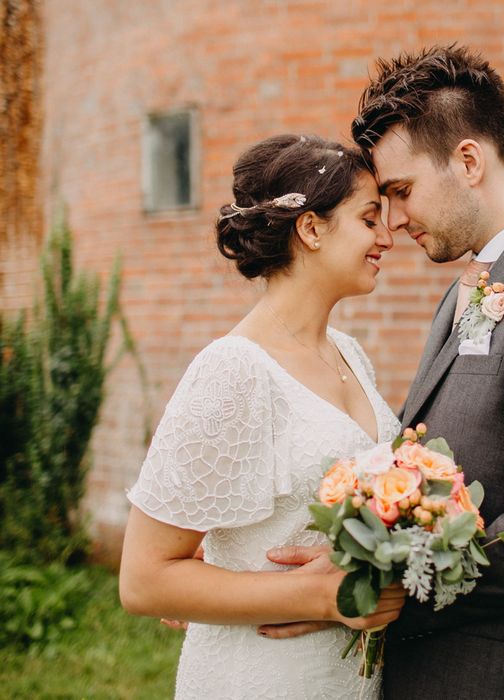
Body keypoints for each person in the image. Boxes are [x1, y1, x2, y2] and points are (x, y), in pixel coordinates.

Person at [260, 46, 504, 699]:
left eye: (401, 192)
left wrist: (380, 577)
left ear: (468, 161)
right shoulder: (474, 285)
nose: (396, 221)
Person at [119, 134, 405, 699]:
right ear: (312, 229)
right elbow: (144, 579)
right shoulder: (233, 370)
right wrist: (325, 597)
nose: (387, 238)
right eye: (370, 219)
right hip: (262, 677)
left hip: (349, 678)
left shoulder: (352, 355)